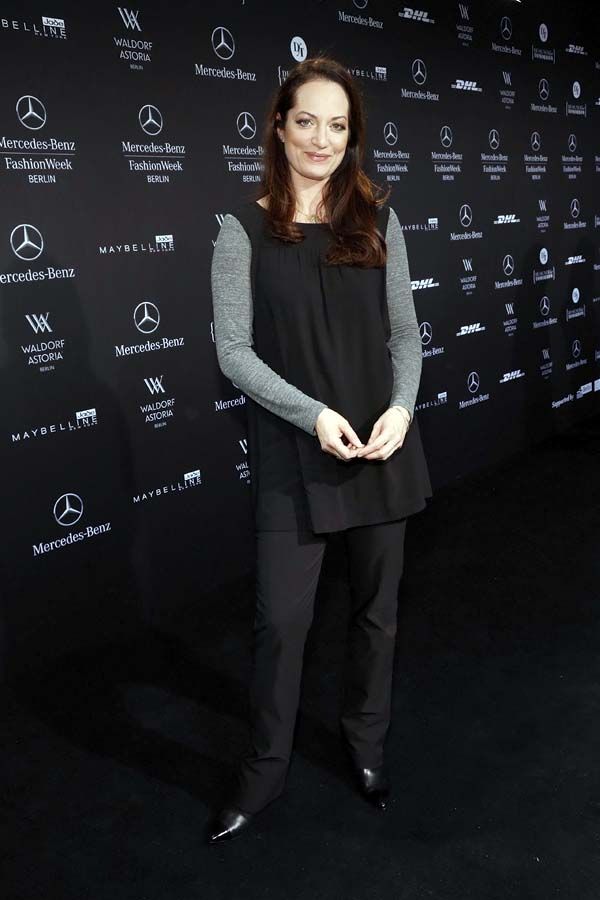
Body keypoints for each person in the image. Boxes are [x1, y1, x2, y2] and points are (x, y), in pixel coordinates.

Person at [207, 54, 433, 843]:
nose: (321, 139)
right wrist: (312, 416)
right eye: (306, 120)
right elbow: (233, 353)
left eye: (337, 125)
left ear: (351, 135)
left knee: (377, 615)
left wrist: (401, 409)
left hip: (379, 446)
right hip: (293, 453)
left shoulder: (380, 220)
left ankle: (365, 745)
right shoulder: (240, 231)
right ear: (279, 126)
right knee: (281, 623)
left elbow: (405, 333)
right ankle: (264, 772)